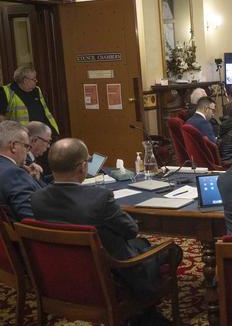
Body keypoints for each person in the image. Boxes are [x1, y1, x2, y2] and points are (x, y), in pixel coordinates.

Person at [31, 138, 182, 324]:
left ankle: (144, 312)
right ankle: (144, 312)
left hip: (62, 274)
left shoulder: (37, 199)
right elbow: (131, 230)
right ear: (82, 167)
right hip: (109, 273)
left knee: (141, 244)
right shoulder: (99, 199)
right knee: (172, 250)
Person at [0, 120, 43, 221]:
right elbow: (32, 219)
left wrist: (31, 179)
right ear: (13, 146)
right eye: (26, 146)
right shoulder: (14, 174)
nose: (28, 152)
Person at [0, 66, 59, 135]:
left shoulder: (37, 90)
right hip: (21, 135)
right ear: (25, 80)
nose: (36, 81)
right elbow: (2, 116)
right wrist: (7, 134)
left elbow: (45, 111)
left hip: (41, 132)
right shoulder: (7, 91)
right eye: (34, 79)